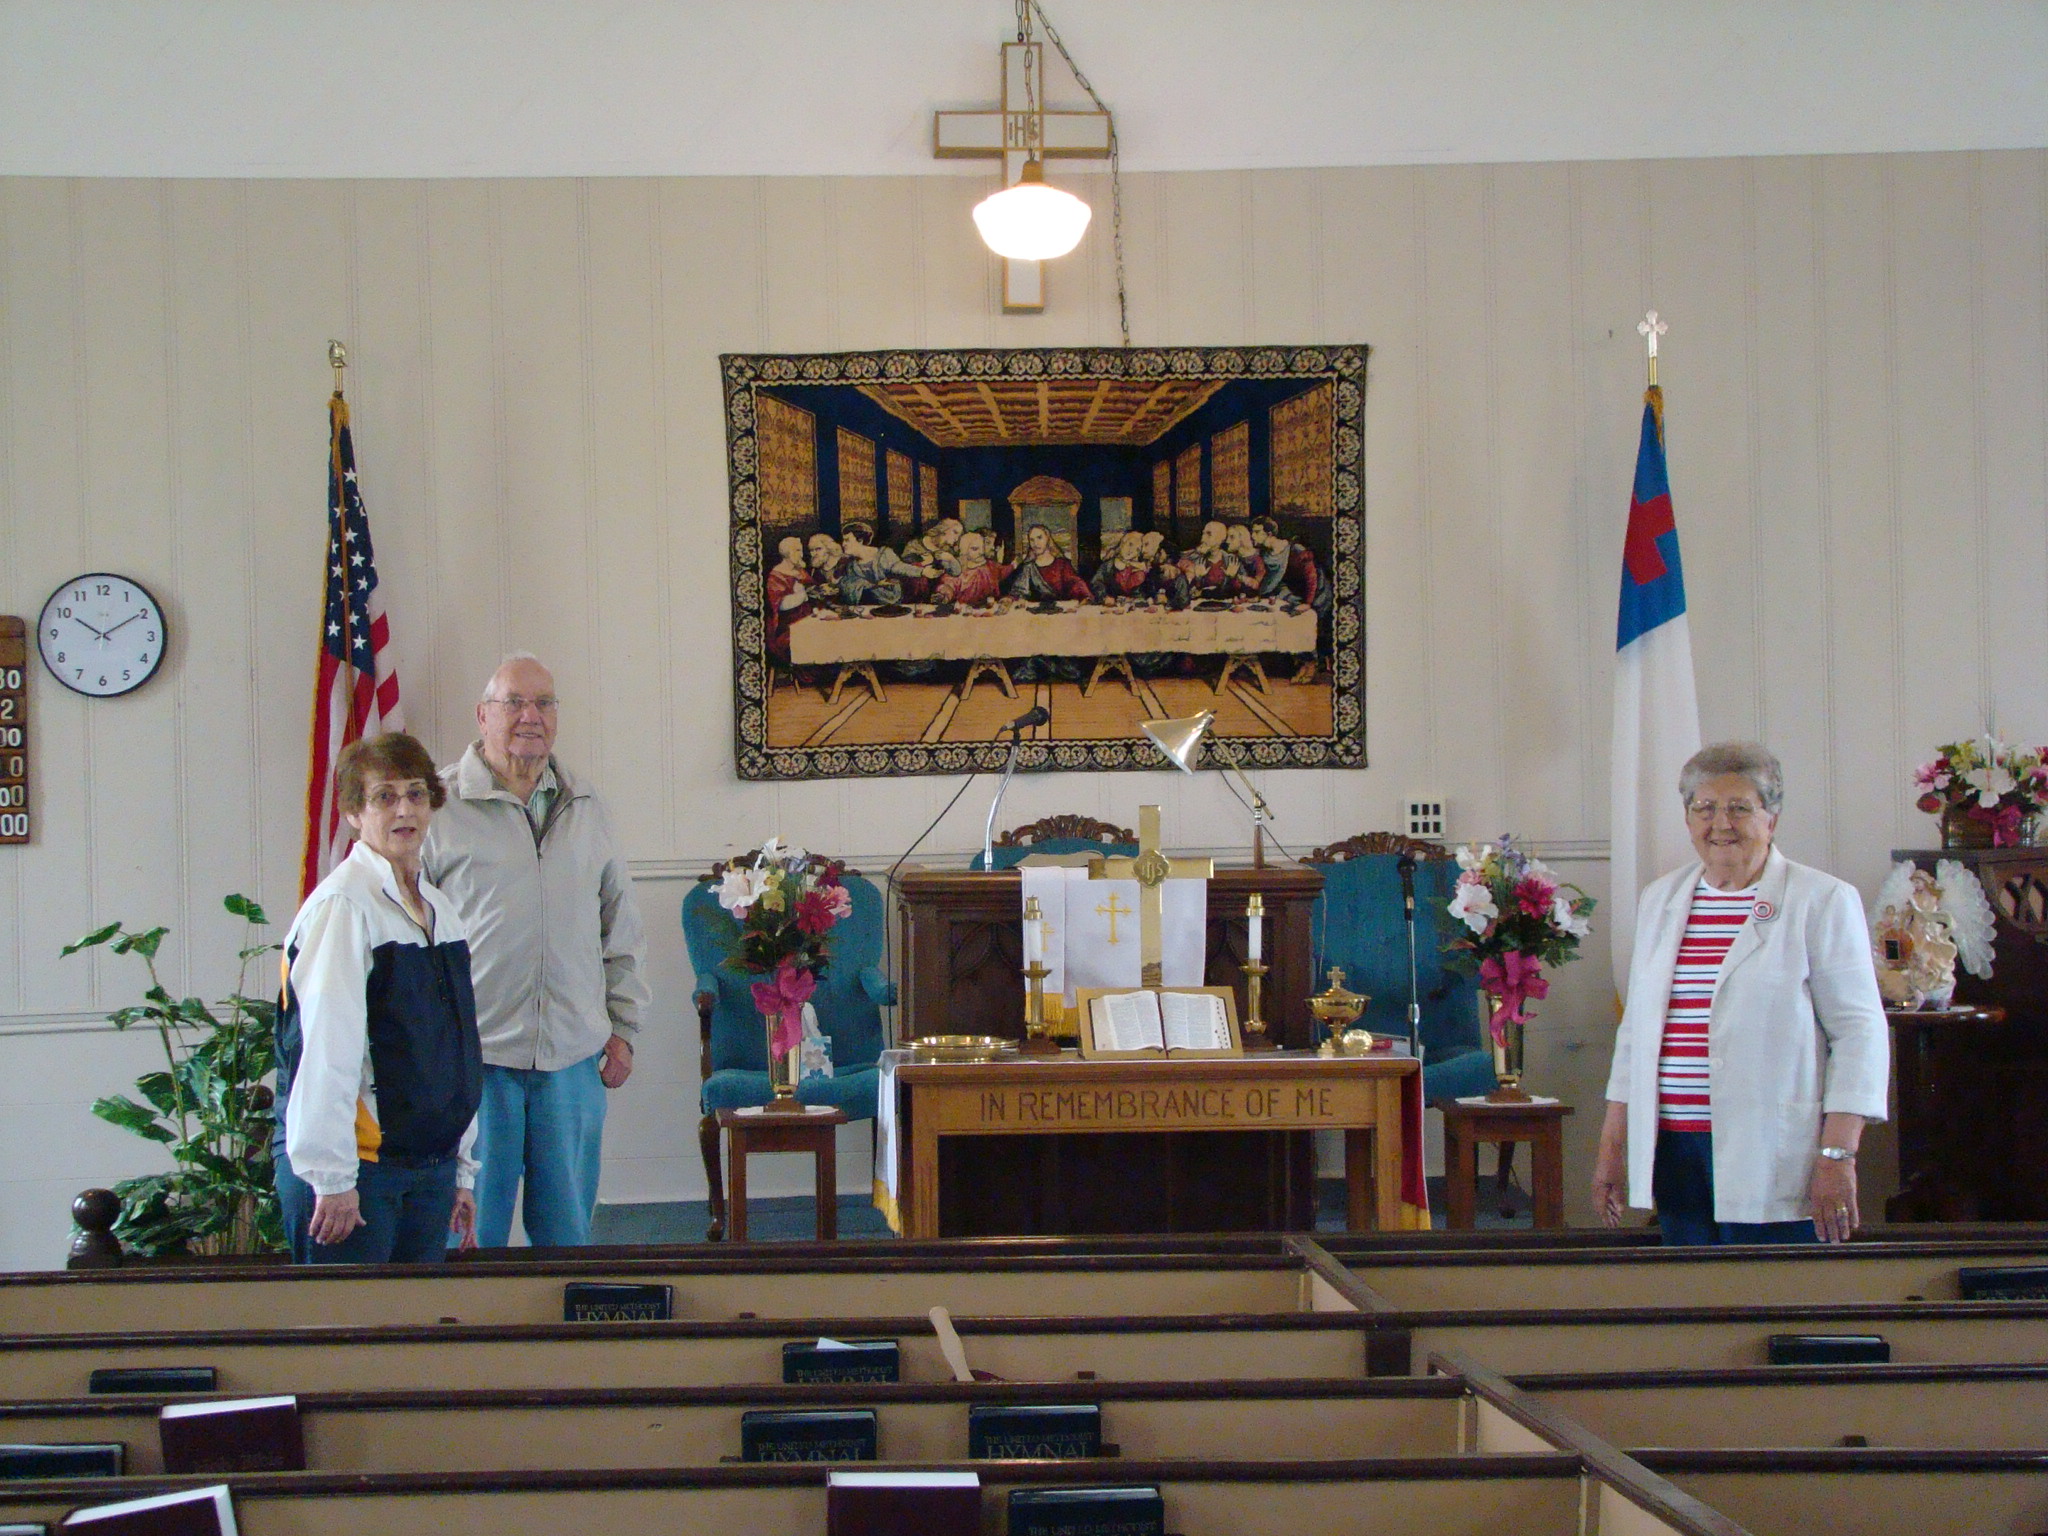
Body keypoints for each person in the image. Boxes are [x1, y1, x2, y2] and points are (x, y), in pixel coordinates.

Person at [1590, 742, 1889, 1245]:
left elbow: (1860, 1034)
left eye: (1739, 807)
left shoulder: (1822, 900)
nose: (1720, 823)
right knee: (1693, 1307)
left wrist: (1838, 1154)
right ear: (1687, 818)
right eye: (1703, 808)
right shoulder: (1660, 899)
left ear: (1772, 817)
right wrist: (1613, 1149)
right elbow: (1636, 1037)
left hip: (1775, 1153)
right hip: (1674, 1151)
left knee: (1772, 1301)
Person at [423, 654, 650, 1248]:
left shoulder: (585, 803)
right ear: (482, 715)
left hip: (572, 1060)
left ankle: (565, 1344)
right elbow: (403, 940)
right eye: (514, 703)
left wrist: (623, 1026)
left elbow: (619, 925)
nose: (531, 716)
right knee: (471, 1240)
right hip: (477, 1063)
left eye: (544, 703)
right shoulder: (437, 809)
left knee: (568, 1238)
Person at [274, 732, 482, 1265]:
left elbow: (455, 1047)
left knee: (416, 1344)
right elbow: (326, 1050)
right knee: (351, 1343)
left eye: (416, 793)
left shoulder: (440, 909)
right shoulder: (345, 907)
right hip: (359, 1175)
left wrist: (460, 1169)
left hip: (428, 1170)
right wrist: (333, 1178)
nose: (405, 809)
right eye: (384, 797)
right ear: (352, 813)